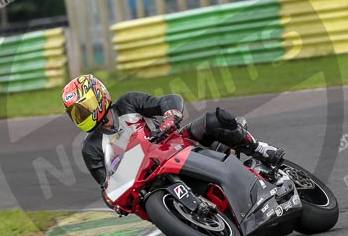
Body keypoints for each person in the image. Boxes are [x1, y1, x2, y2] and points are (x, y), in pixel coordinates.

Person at [61, 74, 285, 201]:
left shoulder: (128, 103)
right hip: (147, 181)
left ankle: (260, 150)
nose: (81, 116)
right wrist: (115, 200)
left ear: (99, 97)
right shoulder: (90, 148)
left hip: (177, 145)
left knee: (212, 120)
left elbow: (166, 100)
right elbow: (106, 185)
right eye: (76, 114)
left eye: (84, 108)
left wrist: (171, 115)